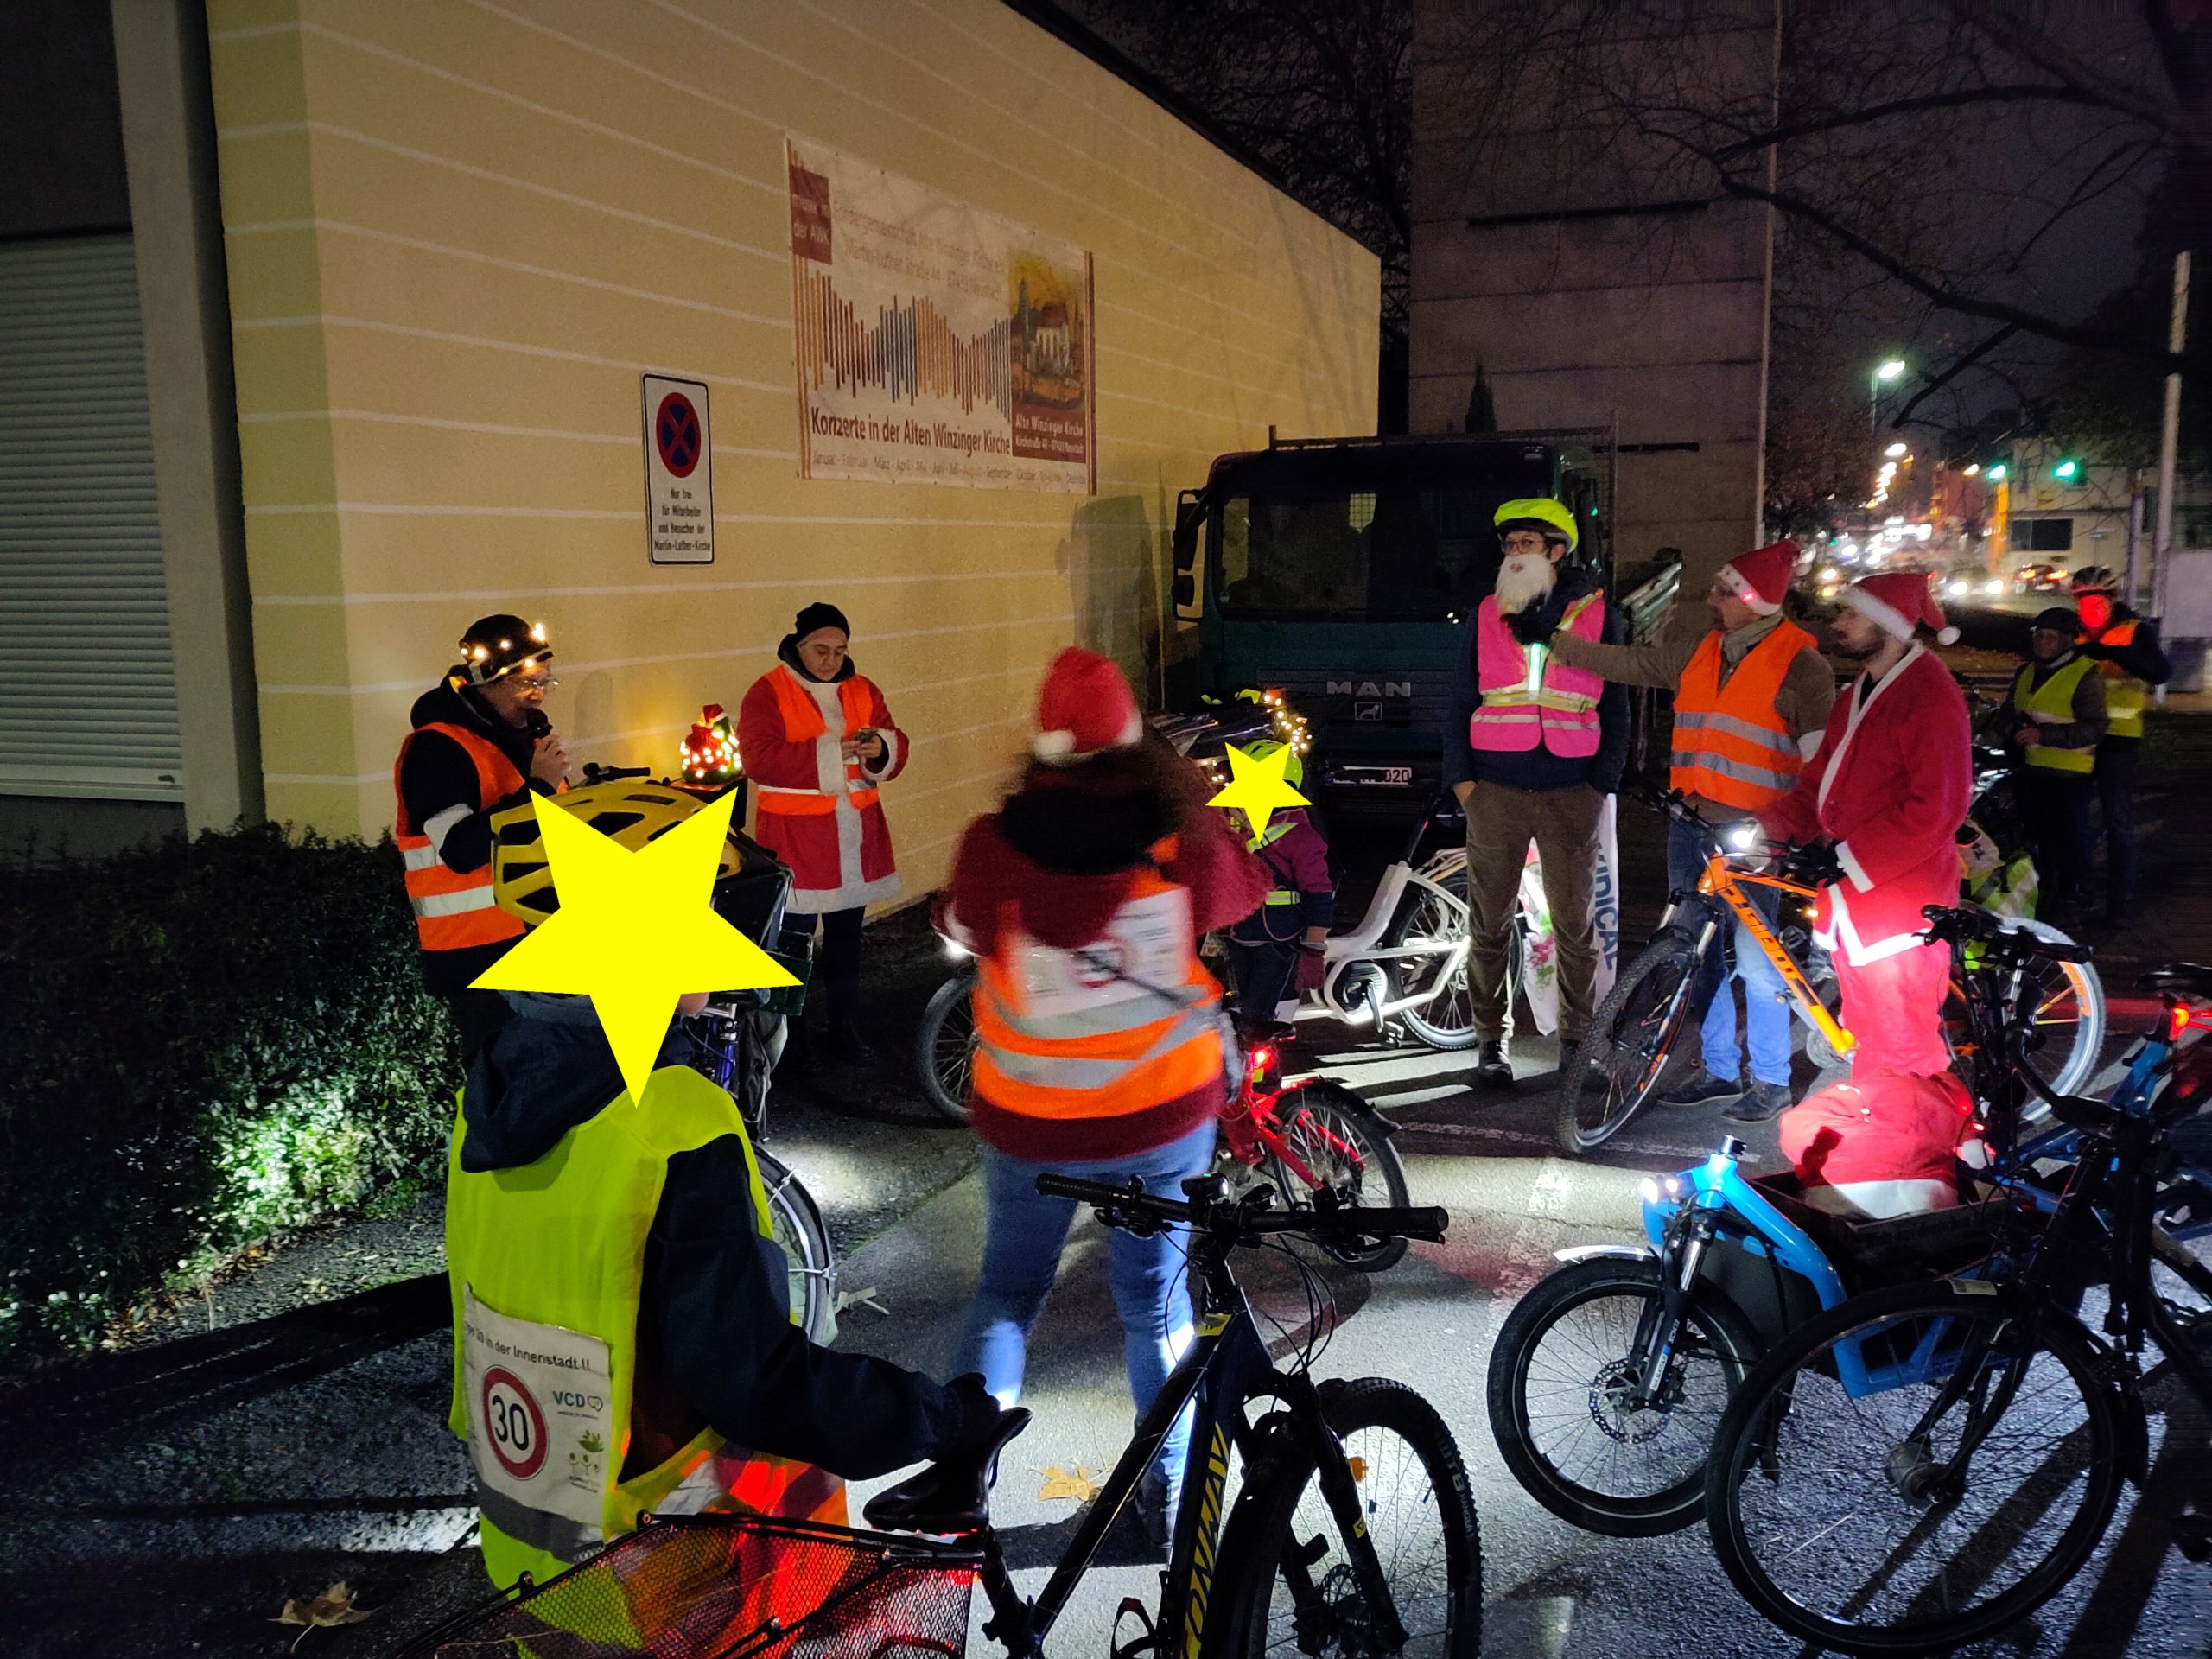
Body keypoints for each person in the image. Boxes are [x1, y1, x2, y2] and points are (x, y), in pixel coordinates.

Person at [447, 784, 1001, 1592]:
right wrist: (937, 1417)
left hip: (534, 1568)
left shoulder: (486, 1100)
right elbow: (755, 1384)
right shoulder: (673, 1124)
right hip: (679, 1577)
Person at [941, 647, 1267, 1538]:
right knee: (1152, 1307)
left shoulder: (992, 844)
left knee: (1006, 1297)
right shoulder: (1178, 840)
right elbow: (1245, 894)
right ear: (1135, 739)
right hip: (1160, 1118)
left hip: (1029, 1118)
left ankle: (961, 1474)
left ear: (1044, 749)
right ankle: (1165, 1492)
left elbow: (961, 923)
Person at [1545, 540, 1835, 1123]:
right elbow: (1632, 664)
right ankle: (1721, 1070)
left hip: (1757, 837)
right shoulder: (1704, 649)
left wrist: (1795, 835)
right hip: (1693, 825)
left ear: (1755, 602)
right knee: (1693, 957)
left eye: (1724, 591)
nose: (1712, 598)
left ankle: (1772, 1082)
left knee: (1758, 960)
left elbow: (1822, 764)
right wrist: (1557, 644)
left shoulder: (1803, 667)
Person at [1443, 497, 1630, 1087]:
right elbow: (1459, 698)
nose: (1514, 553)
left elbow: (1620, 702)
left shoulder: (1601, 614)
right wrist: (1464, 784)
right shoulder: (1483, 612)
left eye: (1527, 542)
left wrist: (1602, 784)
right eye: (1509, 544)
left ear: (1558, 550)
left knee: (1575, 927)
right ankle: (1489, 1046)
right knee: (1489, 925)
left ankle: (1578, 1046)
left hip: (1570, 788)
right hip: (1494, 789)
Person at [1758, 572, 1971, 1082]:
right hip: (1857, 898)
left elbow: (1938, 809)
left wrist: (1849, 859)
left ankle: (1913, 1150)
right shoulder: (1858, 692)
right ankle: (1881, 1133)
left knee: (1905, 1048)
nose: (1840, 624)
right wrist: (1769, 831)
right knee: (1867, 1033)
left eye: (1852, 614)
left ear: (1890, 624)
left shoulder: (1930, 696)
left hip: (1899, 905)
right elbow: (1818, 785)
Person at [394, 614, 571, 1064]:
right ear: (486, 683)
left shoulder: (524, 744)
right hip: (479, 956)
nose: (538, 694)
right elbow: (459, 849)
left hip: (537, 943)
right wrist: (541, 790)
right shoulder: (437, 749)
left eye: (544, 681)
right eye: (526, 682)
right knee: (506, 1094)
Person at [738, 602, 908, 1064]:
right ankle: (786, 1040)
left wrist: (880, 748)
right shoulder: (768, 692)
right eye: (820, 650)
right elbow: (758, 758)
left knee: (846, 941)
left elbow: (895, 742)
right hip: (797, 840)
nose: (831, 660)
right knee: (791, 943)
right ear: (799, 646)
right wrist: (834, 752)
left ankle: (843, 1026)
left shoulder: (863, 689)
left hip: (855, 838)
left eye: (839, 650)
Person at [1984, 607, 2105, 928]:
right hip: (2030, 771)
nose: (2043, 643)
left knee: (2069, 842)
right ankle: (2041, 896)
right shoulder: (2026, 672)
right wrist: (2011, 728)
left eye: (2050, 638)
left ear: (2066, 641)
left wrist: (2043, 734)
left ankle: (2070, 900)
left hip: (2069, 775)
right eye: (2039, 636)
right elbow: (2007, 713)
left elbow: (2094, 727)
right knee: (2035, 840)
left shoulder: (2085, 674)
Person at [2070, 567, 2171, 924]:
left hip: (2118, 740)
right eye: (2082, 603)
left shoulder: (2135, 631)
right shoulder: (2075, 634)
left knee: (2117, 823)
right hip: (2078, 739)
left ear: (2111, 601)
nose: (2089, 610)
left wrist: (2112, 652)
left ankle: (2119, 903)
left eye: (2095, 602)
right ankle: (2078, 895)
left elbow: (2160, 672)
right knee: (2074, 821)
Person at [1223, 740, 1335, 1031]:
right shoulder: (1240, 831)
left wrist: (1313, 949)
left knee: (1256, 1015)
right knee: (1241, 1008)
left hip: (1278, 941)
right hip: (1239, 935)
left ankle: (1259, 1056)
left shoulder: (1300, 838)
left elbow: (1319, 893)